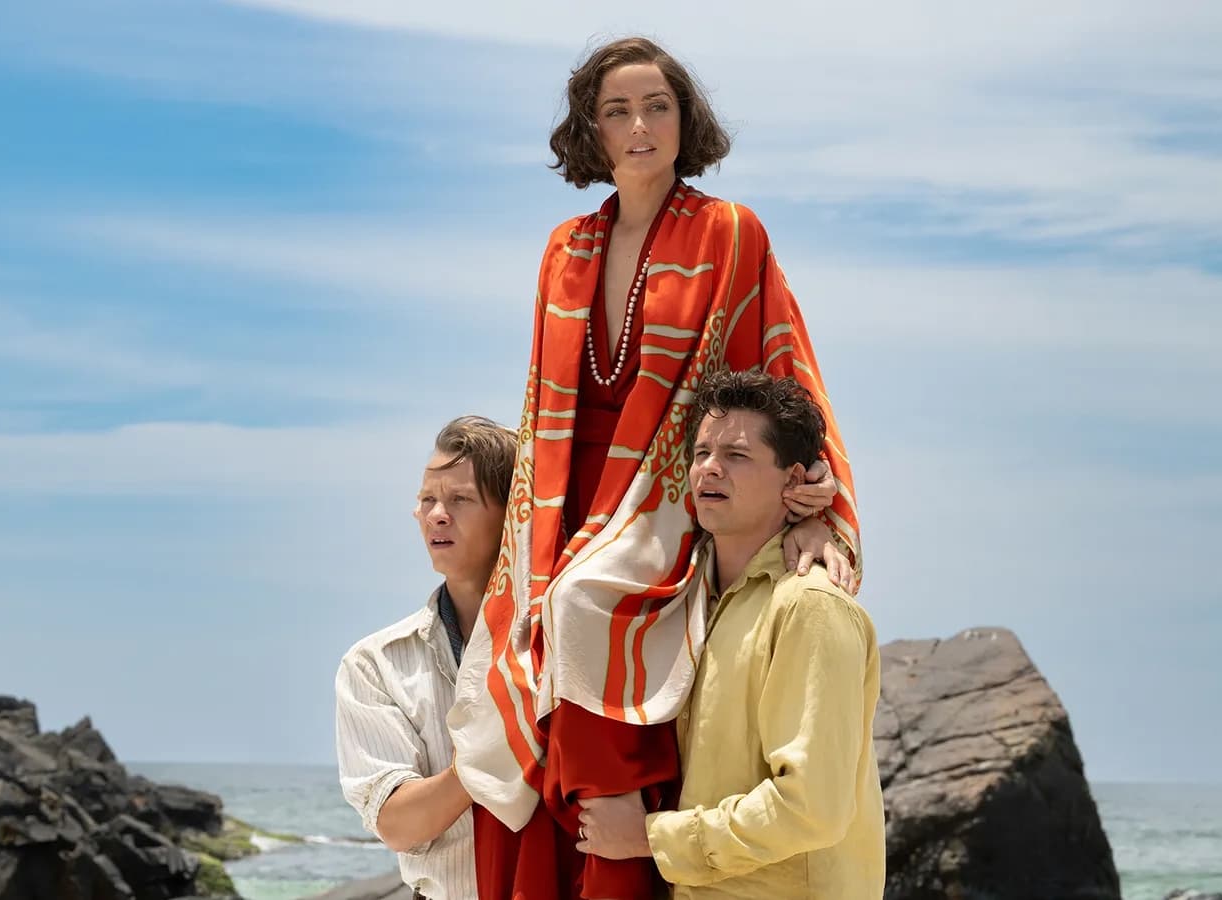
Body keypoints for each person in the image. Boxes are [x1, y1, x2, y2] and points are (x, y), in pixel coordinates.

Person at [448, 37, 862, 900]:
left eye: (657, 107)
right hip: (564, 488)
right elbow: (542, 399)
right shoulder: (565, 248)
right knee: (509, 648)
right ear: (591, 131)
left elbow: (781, 365)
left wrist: (816, 499)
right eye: (618, 111)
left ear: (684, 119)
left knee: (581, 602)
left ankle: (620, 859)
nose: (640, 126)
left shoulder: (729, 231)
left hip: (666, 482)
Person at [574, 370, 884, 899]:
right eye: (701, 453)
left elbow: (810, 808)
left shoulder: (809, 607)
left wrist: (649, 838)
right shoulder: (683, 600)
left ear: (795, 481)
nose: (710, 468)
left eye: (736, 455)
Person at [335, 416, 520, 900]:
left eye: (460, 499)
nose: (437, 515)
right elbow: (398, 824)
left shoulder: (556, 642)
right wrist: (492, 750)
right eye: (427, 500)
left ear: (513, 514)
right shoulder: (376, 663)